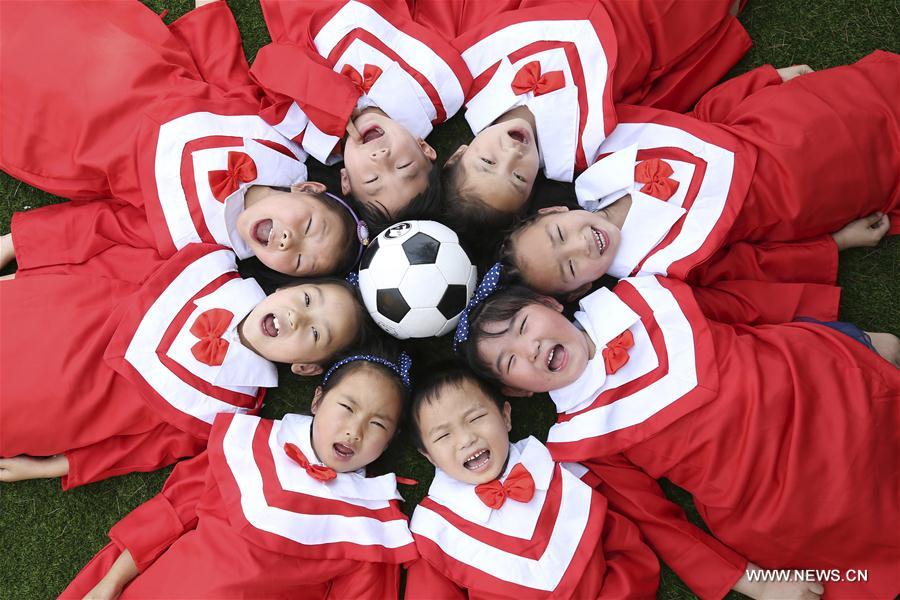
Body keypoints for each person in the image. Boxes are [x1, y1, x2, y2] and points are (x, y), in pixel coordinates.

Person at [455, 270, 900, 599]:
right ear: (518, 391)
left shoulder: (643, 298)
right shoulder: (584, 435)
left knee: (857, 369)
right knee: (846, 515)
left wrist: (826, 314)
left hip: (807, 382)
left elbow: (739, 308)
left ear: (551, 304)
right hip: (771, 490)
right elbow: (656, 520)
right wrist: (756, 583)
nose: (528, 348)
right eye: (511, 362)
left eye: (524, 326)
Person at [0, 0, 365, 277]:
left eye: (298, 260)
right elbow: (224, 69)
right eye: (308, 226)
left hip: (64, 135)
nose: (289, 241)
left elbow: (104, 224)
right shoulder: (277, 141)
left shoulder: (197, 242)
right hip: (125, 61)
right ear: (310, 190)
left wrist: (13, 245)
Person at [495, 52, 900, 296]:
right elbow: (752, 266)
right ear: (582, 288)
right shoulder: (660, 268)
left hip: (773, 121)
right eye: (570, 268)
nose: (580, 245)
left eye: (560, 235)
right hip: (804, 194)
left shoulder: (603, 162)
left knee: (872, 93)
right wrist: (835, 243)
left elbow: (694, 122)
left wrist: (765, 81)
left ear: (552, 214)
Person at [0, 242, 373, 489]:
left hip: (45, 405)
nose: (296, 318)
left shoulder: (226, 409)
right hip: (40, 314)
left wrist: (52, 467)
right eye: (306, 299)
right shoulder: (207, 270)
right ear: (285, 289)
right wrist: (24, 279)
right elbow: (109, 266)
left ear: (305, 368)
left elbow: (143, 450)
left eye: (314, 335)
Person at [58, 349, 418, 599]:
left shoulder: (373, 529)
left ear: (390, 442)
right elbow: (169, 515)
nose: (355, 431)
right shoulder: (245, 447)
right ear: (317, 399)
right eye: (346, 407)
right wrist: (110, 584)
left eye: (377, 424)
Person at [440, 0, 751, 251]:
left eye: (488, 161)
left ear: (457, 154)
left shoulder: (475, 75)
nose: (511, 154)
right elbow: (663, 98)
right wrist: (714, 34)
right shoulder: (586, 143)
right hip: (659, 22)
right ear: (533, 188)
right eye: (519, 177)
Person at [405, 365, 660, 598]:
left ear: (505, 416)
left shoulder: (561, 470)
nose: (466, 439)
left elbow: (627, 553)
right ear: (429, 457)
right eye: (444, 435)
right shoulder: (434, 528)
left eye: (475, 419)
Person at [251, 0, 473, 233]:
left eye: (371, 179)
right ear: (425, 148)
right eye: (403, 165)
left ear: (345, 180)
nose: (382, 157)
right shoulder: (439, 90)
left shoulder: (314, 135)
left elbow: (270, 62)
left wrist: (334, 105)